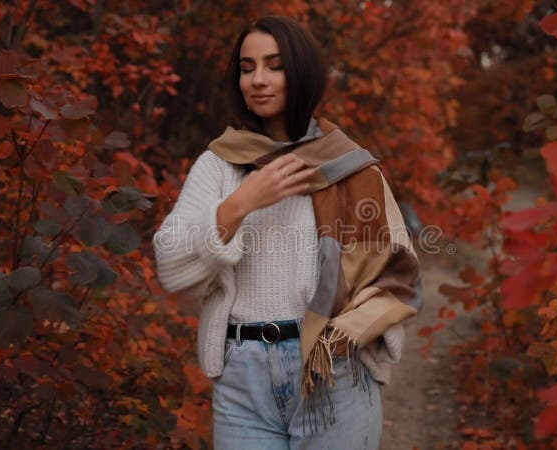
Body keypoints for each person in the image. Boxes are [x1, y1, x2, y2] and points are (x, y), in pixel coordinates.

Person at [153, 16, 423, 449]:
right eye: (246, 67)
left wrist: (346, 337)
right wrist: (243, 202)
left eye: (274, 65)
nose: (257, 80)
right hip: (242, 377)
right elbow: (170, 264)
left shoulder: (350, 166)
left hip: (332, 368)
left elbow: (398, 273)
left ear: (301, 72)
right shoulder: (220, 164)